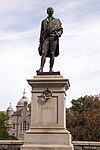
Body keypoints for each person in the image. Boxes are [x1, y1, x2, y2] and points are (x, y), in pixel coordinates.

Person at [37, 7, 63, 72]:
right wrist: (40, 42)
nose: (50, 12)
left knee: (52, 53)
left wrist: (58, 34)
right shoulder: (43, 21)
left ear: (53, 12)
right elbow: (41, 32)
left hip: (53, 38)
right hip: (45, 38)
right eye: (49, 11)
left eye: (51, 11)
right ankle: (41, 68)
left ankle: (51, 69)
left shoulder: (57, 20)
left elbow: (60, 30)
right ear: (47, 12)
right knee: (43, 53)